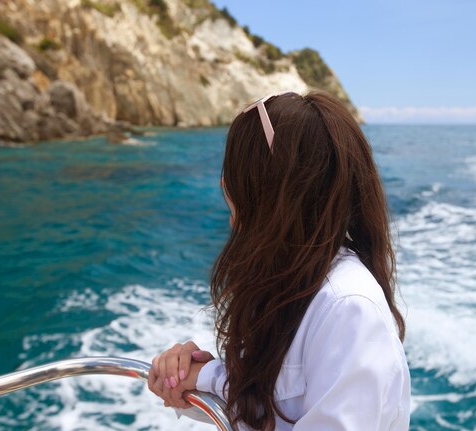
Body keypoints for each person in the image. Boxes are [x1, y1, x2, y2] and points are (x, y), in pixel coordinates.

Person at [147, 90, 411, 430]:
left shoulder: (348, 308)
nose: (225, 185)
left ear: (267, 193)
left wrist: (207, 378)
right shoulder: (287, 280)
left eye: (236, 177)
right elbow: (271, 406)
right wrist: (196, 379)